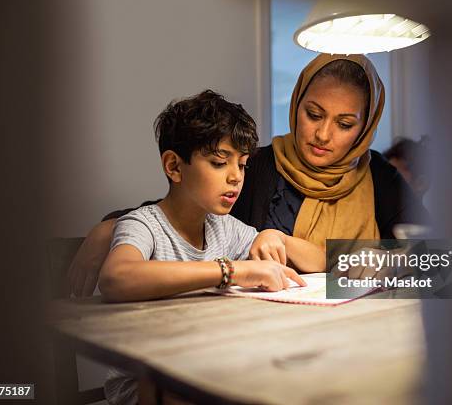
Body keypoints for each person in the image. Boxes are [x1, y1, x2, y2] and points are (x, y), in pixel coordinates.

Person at [69, 54, 428, 297]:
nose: (322, 135)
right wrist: (113, 225)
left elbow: (450, 262)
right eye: (313, 114)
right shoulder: (254, 165)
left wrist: (382, 259)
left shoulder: (379, 176)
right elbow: (182, 206)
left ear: (366, 127)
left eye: (345, 124)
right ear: (296, 105)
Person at [101, 89, 321, 405]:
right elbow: (116, 278)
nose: (236, 178)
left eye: (242, 165)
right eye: (219, 163)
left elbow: (322, 260)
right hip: (147, 382)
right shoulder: (144, 224)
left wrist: (276, 236)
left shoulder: (224, 228)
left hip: (202, 365)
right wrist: (230, 270)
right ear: (174, 167)